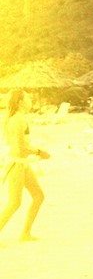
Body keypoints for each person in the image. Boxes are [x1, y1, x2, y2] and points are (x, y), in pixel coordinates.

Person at [0, 90, 50, 242]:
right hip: (17, 164)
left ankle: (25, 234)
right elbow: (20, 148)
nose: (30, 100)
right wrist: (39, 152)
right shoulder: (18, 120)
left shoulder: (16, 118)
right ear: (21, 102)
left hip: (21, 164)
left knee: (38, 196)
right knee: (14, 203)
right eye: (28, 98)